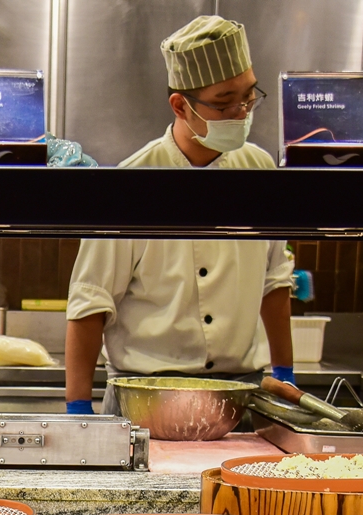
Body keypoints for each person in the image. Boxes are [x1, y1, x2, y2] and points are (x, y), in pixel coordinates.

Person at [64, 15, 294, 416]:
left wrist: (286, 373)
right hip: (143, 395)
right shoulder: (131, 183)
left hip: (238, 397)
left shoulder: (261, 171)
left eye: (248, 96)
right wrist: (78, 411)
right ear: (180, 105)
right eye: (224, 102)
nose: (241, 112)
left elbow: (274, 283)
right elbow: (90, 304)